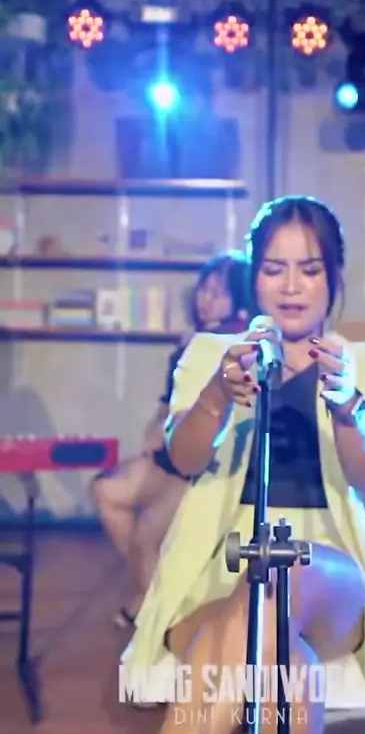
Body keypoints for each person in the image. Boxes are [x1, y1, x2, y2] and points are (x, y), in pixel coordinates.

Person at [75, 196, 365, 734]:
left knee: (282, 576)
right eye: (274, 268)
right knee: (286, 667)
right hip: (213, 576)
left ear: (334, 276)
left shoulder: (364, 363)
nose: (291, 286)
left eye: (309, 269)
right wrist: (217, 395)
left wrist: (348, 408)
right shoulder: (213, 353)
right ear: (254, 276)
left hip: (329, 577)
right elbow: (180, 456)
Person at [89, 251, 249, 628]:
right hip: (169, 450)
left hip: (205, 460)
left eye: (218, 293)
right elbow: (168, 402)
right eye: (204, 289)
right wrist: (155, 426)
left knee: (147, 533)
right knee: (105, 492)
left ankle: (153, 608)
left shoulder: (236, 345)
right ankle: (158, 593)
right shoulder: (190, 342)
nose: (205, 298)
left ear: (240, 303)